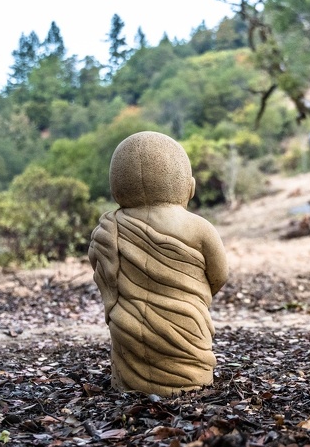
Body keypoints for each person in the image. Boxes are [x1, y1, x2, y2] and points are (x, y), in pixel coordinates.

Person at [89, 131, 228, 395]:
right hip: (189, 324)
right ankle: (187, 381)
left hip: (128, 331)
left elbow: (104, 273)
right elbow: (219, 275)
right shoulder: (199, 228)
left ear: (116, 188)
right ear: (190, 187)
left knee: (128, 356)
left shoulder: (109, 229)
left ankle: (129, 382)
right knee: (192, 374)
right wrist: (191, 295)